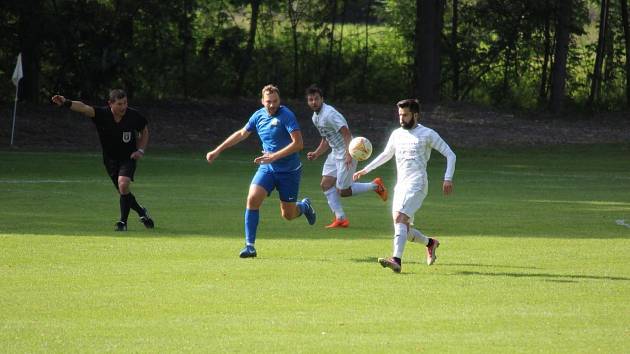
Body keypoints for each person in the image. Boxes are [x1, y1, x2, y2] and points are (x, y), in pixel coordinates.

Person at [206, 84, 316, 258]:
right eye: (268, 102)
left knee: (288, 215)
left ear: (279, 100)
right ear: (262, 101)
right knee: (252, 198)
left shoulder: (286, 116)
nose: (272, 105)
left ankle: (303, 206)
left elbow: (298, 144)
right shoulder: (258, 116)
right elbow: (242, 133)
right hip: (268, 168)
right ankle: (250, 246)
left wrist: (274, 156)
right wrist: (218, 150)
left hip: (289, 171)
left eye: (275, 101)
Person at [353, 99, 456, 273]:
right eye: (400, 115)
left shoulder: (428, 134)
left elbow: (450, 154)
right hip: (401, 186)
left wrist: (448, 178)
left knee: (400, 219)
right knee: (403, 229)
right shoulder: (396, 134)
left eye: (405, 115)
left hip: (418, 183)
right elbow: (386, 154)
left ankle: (396, 260)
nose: (401, 118)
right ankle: (430, 243)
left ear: (415, 115)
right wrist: (365, 170)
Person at [51, 89, 155, 231]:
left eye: (125, 103)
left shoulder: (133, 116)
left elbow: (144, 130)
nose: (123, 107)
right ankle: (142, 212)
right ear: (110, 104)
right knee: (123, 191)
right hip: (110, 160)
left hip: (128, 157)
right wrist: (65, 102)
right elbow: (83, 107)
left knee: (123, 184)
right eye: (119, 104)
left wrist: (140, 150)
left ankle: (122, 223)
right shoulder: (102, 114)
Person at [305, 84, 387, 228]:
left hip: (347, 151)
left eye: (316, 99)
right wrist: (316, 153)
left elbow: (346, 133)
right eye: (310, 100)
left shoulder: (330, 114)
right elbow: (326, 139)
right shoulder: (315, 117)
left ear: (322, 99)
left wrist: (349, 154)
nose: (313, 102)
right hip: (335, 152)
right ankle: (341, 218)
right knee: (325, 184)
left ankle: (376, 185)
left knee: (343, 191)